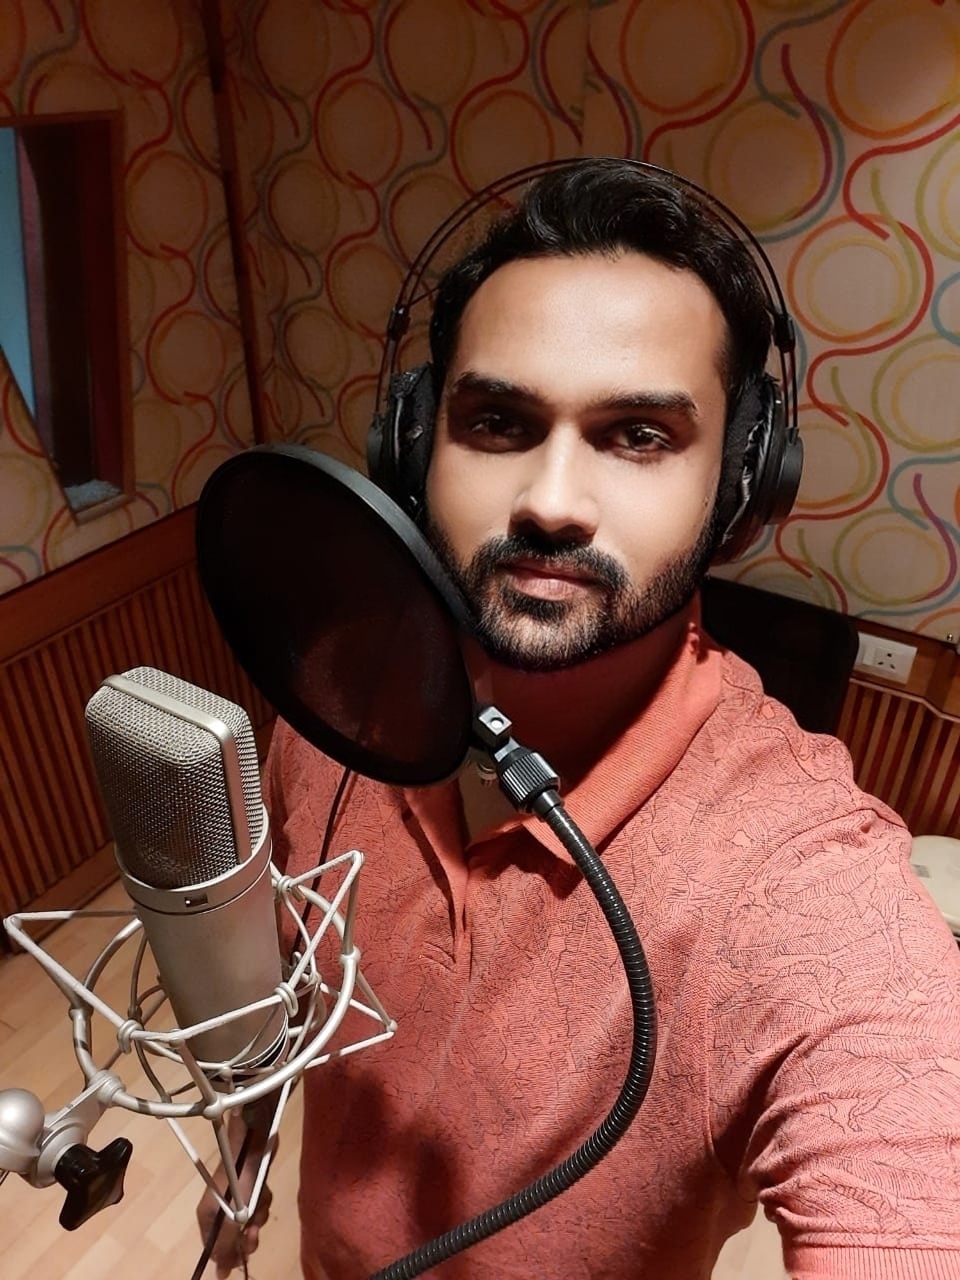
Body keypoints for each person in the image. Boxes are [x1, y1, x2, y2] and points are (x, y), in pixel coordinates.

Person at [199, 158, 960, 1279]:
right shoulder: (335, 701)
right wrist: (245, 1151)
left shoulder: (805, 882)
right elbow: (295, 978)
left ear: (741, 484)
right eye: (497, 420)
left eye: (639, 434)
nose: (551, 500)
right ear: (414, 444)